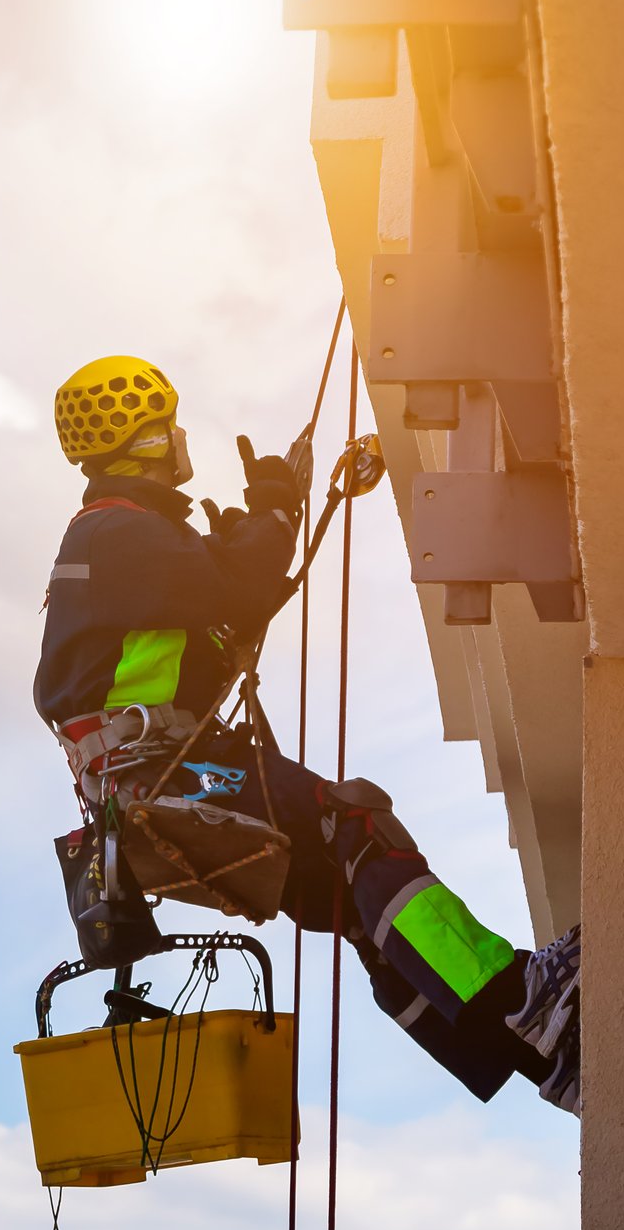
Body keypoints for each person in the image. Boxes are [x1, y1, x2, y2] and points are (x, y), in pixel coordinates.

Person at [35, 355, 580, 1113]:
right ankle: (528, 1001)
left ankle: (534, 1055)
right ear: (147, 443)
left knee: (358, 903)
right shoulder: (115, 534)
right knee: (354, 822)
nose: (181, 436)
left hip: (144, 782)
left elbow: (230, 598)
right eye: (168, 425)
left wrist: (255, 539)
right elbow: (241, 583)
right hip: (159, 774)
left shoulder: (127, 545)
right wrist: (277, 510)